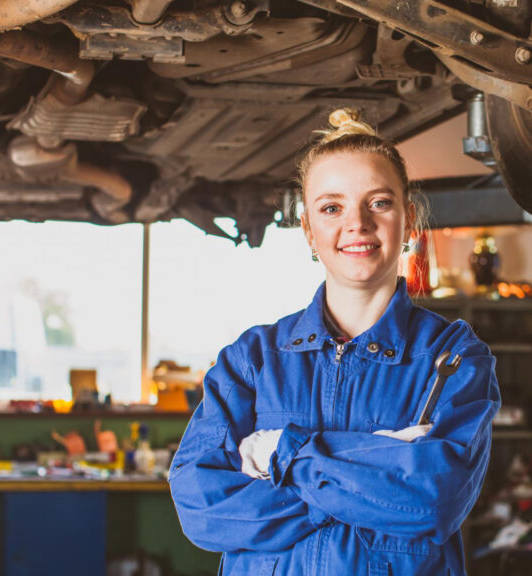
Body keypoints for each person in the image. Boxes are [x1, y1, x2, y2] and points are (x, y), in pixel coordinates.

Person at [169, 108, 501, 575]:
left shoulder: (452, 358)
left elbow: (434, 502)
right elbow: (201, 510)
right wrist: (371, 479)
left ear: (407, 221)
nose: (357, 223)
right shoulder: (253, 361)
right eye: (331, 207)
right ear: (308, 230)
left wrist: (280, 452)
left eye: (379, 203)